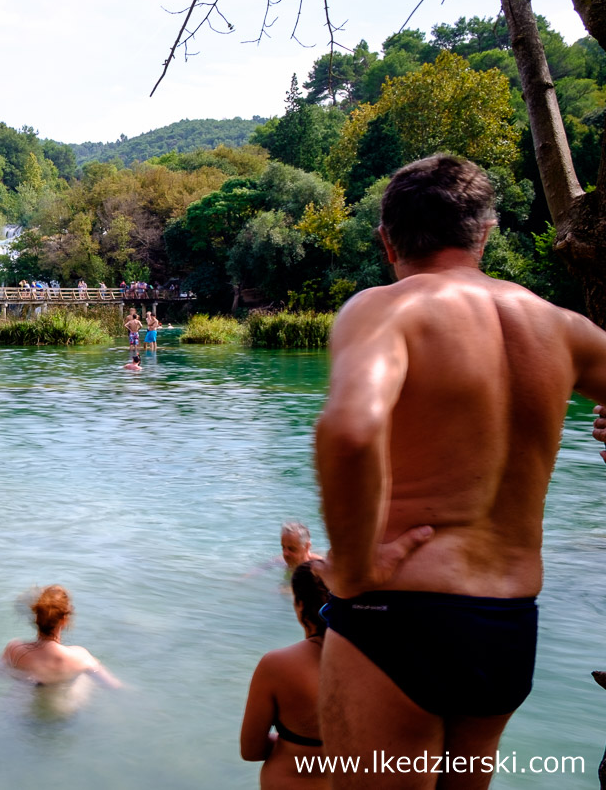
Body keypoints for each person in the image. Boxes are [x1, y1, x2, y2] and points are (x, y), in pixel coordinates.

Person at [313, 155, 606, 784]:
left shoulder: (386, 309)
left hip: (398, 614)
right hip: (506, 622)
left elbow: (348, 429)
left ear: (386, 239)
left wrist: (357, 565)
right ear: (486, 232)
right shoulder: (560, 326)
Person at [241, 561, 331, 788]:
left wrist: (293, 744)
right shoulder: (377, 662)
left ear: (299, 605)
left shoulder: (276, 666)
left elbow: (251, 750)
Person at [2, 585, 120, 688]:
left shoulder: (13, 649)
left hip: (21, 705)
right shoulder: (81, 657)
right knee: (84, 679)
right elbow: (112, 685)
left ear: (36, 617)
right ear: (64, 619)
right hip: (64, 710)